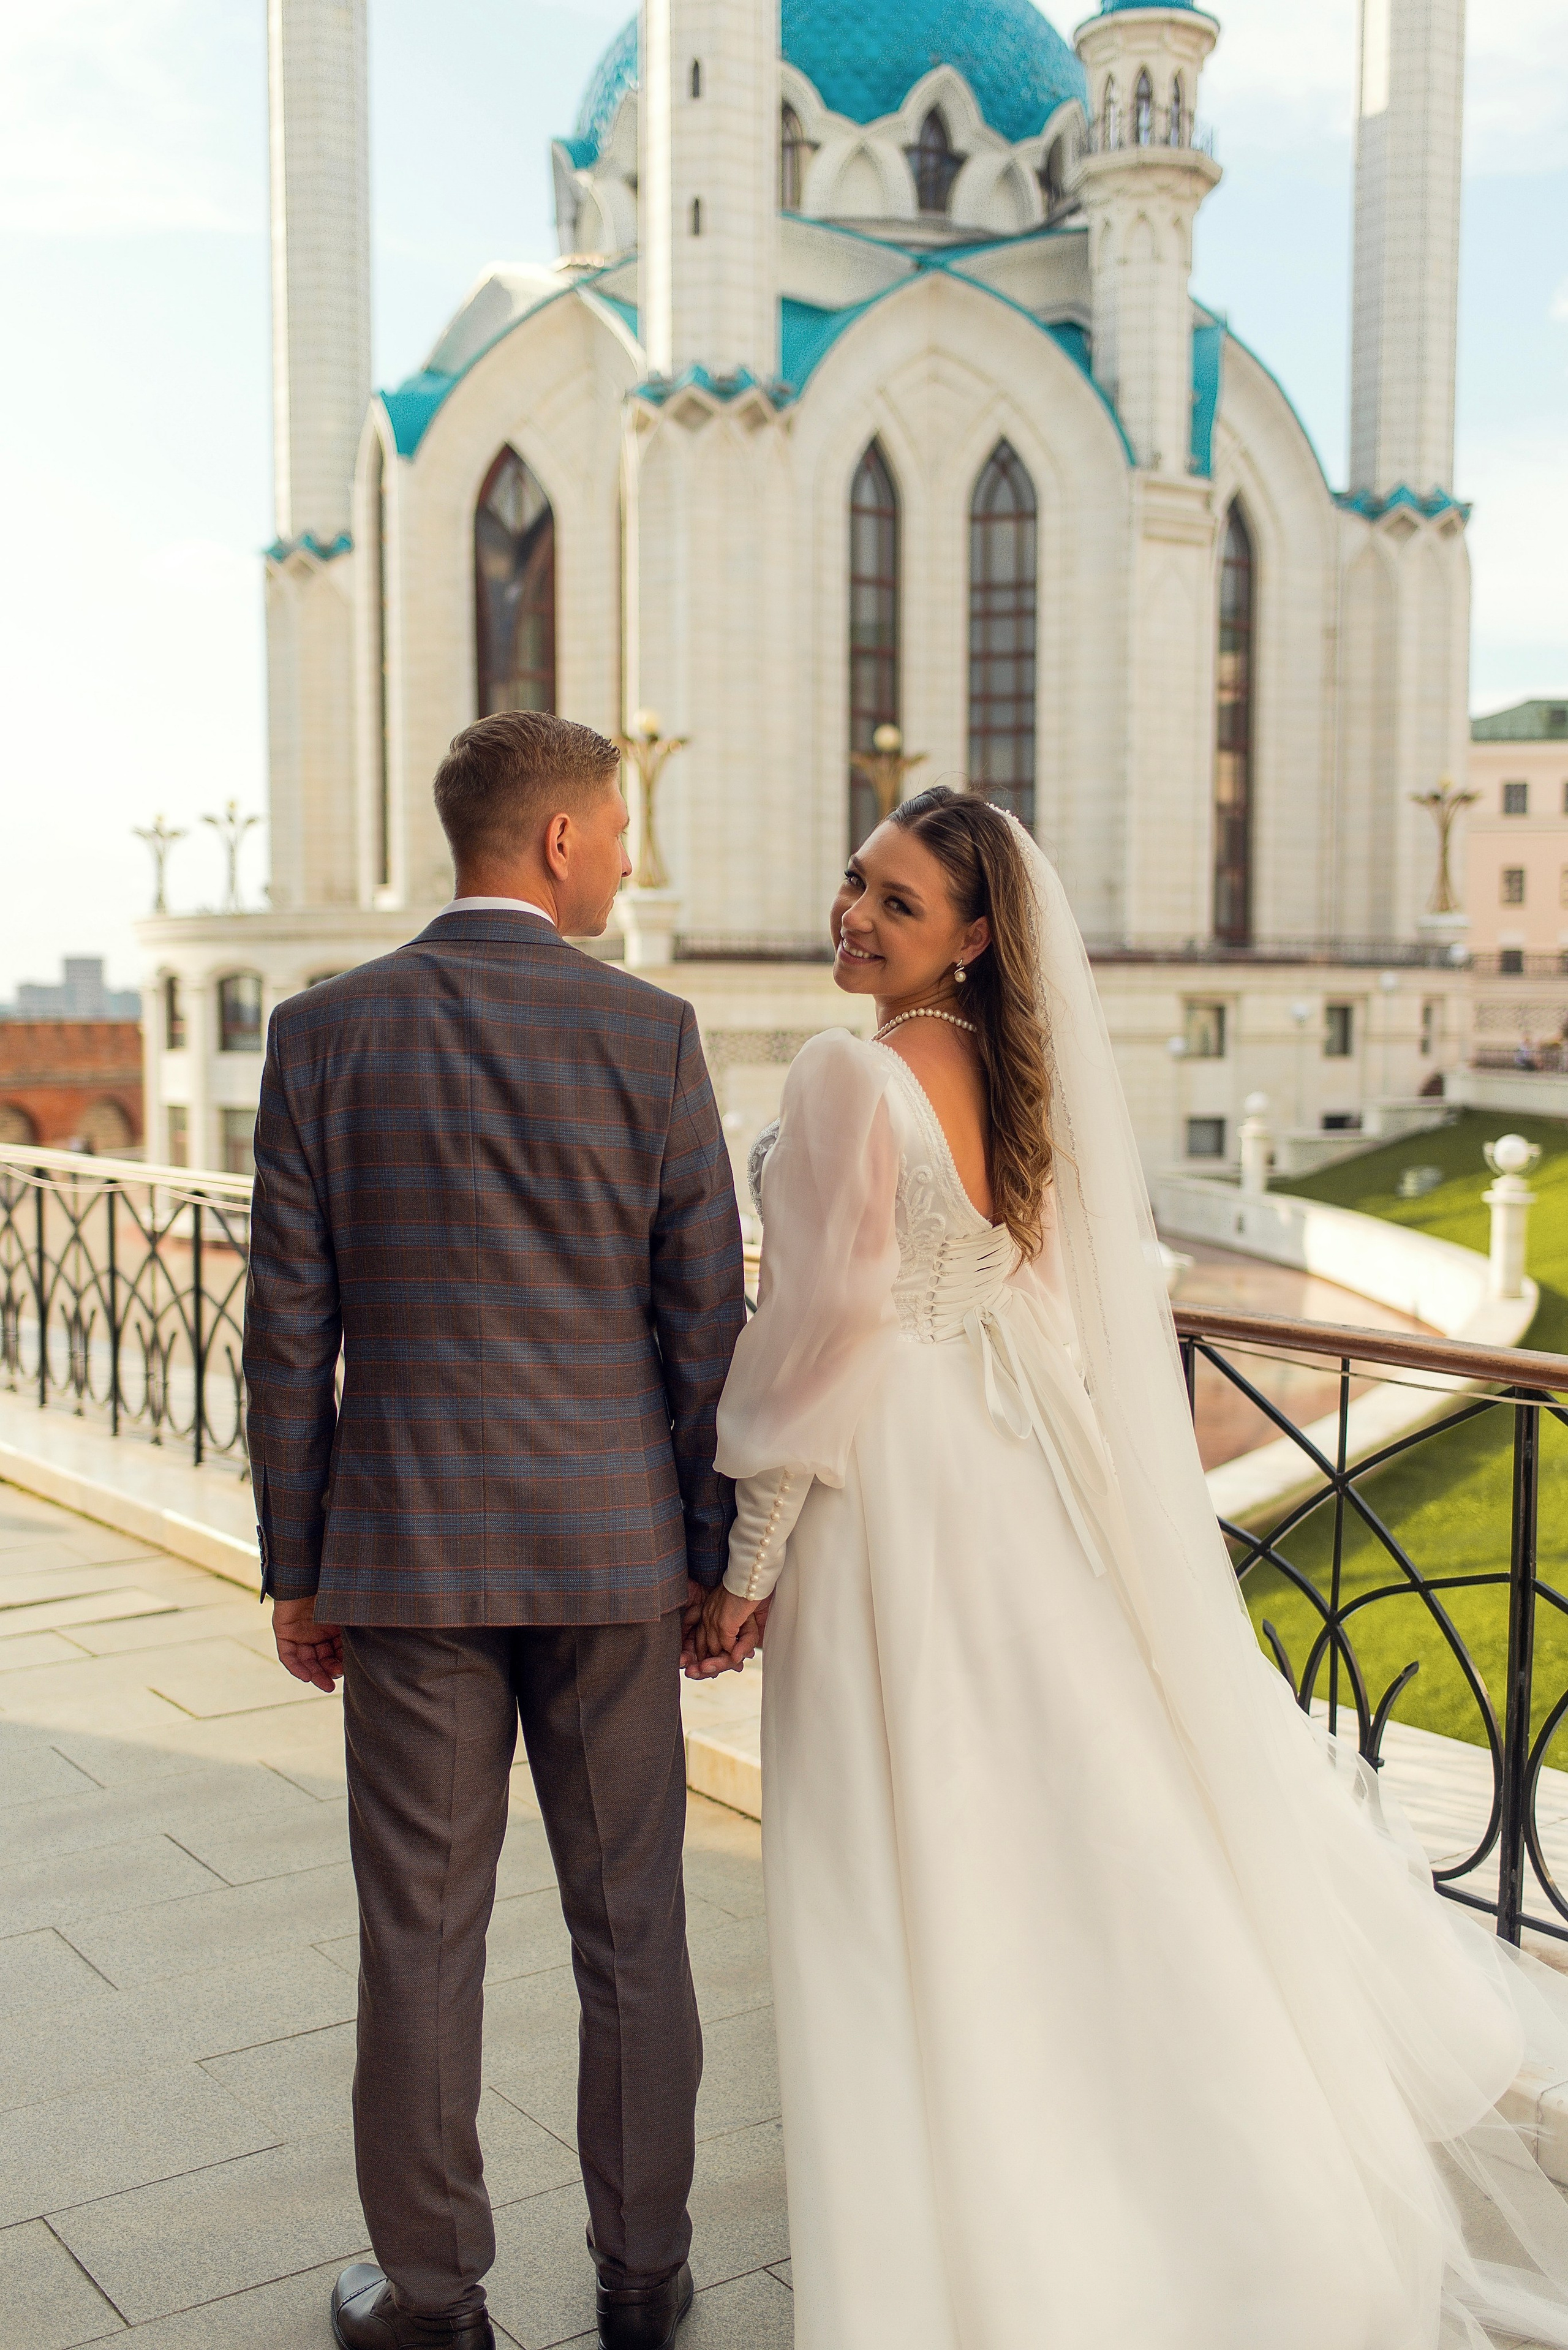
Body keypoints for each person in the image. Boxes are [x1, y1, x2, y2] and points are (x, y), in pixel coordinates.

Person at [696, 784, 1568, 2349]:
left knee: (894, 1862)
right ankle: (1181, 2207)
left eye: (896, 903)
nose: (855, 915)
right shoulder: (1004, 1073)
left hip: (888, 1494)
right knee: (1054, 1833)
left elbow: (813, 1341)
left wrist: (746, 1557)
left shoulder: (849, 1069)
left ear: (969, 938)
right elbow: (1016, 1306)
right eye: (854, 883)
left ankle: (951, 2253)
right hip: (1007, 1479)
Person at [244, 710, 745, 2350]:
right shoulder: (654, 1035)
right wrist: (705, 1547)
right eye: (617, 823)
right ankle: (644, 2277)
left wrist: (299, 1564)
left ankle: (435, 2298)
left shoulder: (326, 1033)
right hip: (610, 1553)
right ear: (555, 838)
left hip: (405, 1561)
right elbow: (702, 1326)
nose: (623, 850)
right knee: (634, 1932)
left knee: (420, 1934)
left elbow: (287, 1330)